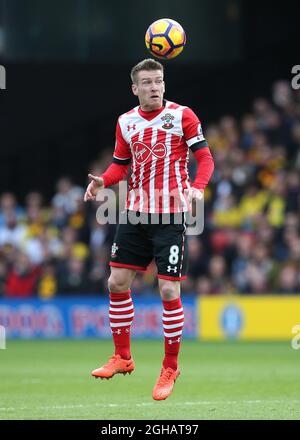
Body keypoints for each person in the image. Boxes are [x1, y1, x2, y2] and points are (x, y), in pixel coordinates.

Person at [84, 58, 214, 400]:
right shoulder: (125, 122)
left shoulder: (183, 115)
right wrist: (103, 181)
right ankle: (122, 357)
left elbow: (206, 157)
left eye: (158, 81)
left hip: (171, 215)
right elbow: (120, 165)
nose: (154, 87)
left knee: (169, 292)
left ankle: (170, 366)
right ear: (135, 88)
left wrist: (198, 186)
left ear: (164, 84)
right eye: (148, 82)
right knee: (116, 282)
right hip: (135, 213)